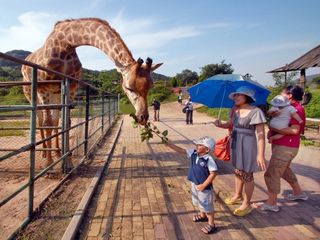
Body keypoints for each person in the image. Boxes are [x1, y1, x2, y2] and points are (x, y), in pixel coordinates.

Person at [213, 86, 267, 217]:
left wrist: (260, 154)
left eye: (238, 95)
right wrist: (220, 124)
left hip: (248, 144)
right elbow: (230, 124)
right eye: (235, 95)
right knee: (238, 170)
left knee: (247, 174)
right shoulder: (236, 111)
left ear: (247, 97)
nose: (235, 97)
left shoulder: (256, 111)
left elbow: (260, 134)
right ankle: (237, 195)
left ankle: (247, 203)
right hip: (235, 142)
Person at [255, 85, 308, 213]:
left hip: (286, 146)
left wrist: (273, 128)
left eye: (282, 93)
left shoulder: (296, 109)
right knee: (284, 170)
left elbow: (295, 130)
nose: (279, 95)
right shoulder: (284, 107)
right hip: (283, 145)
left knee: (272, 173)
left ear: (289, 95)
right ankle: (298, 193)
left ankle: (271, 203)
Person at [167, 136, 218, 234]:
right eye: (197, 144)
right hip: (195, 183)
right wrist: (170, 145)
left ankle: (212, 224)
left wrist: (204, 185)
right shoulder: (194, 153)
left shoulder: (209, 159)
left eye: (200, 145)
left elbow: (213, 173)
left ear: (207, 149)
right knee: (199, 202)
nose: (197, 146)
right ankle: (202, 216)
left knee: (207, 206)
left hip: (204, 188)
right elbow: (181, 150)